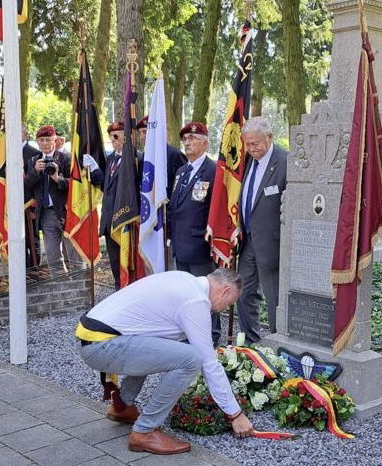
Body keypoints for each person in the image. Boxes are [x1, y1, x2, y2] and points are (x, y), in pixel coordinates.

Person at [76, 268, 254, 454]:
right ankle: (144, 431)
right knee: (192, 359)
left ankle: (122, 406)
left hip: (92, 339)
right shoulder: (196, 300)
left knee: (162, 344)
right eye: (229, 303)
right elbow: (208, 363)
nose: (223, 308)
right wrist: (235, 414)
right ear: (225, 291)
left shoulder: (183, 279)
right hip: (101, 346)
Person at [237, 116, 287, 345]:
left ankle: (279, 346)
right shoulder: (247, 162)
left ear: (270, 137)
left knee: (274, 298)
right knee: (244, 293)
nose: (251, 149)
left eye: (255, 143)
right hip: (247, 240)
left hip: (272, 243)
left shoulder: (285, 161)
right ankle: (251, 342)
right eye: (247, 144)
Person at [170, 122, 220, 345]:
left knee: (207, 294)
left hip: (201, 245)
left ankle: (212, 337)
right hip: (181, 245)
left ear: (205, 142)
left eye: (192, 138)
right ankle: (191, 333)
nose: (187, 143)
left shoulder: (214, 170)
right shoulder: (182, 172)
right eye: (185, 139)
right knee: (186, 294)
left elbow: (216, 209)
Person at [24, 125, 71, 271]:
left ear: (55, 140)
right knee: (52, 254)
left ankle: (80, 284)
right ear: (37, 142)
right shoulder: (33, 160)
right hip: (46, 213)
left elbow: (76, 185)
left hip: (66, 211)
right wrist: (35, 172)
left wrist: (57, 178)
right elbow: (26, 186)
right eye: (41, 140)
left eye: (48, 140)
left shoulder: (66, 158)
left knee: (73, 251)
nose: (45, 143)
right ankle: (59, 285)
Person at [99, 122, 125, 288]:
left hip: (124, 217)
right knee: (114, 261)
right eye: (111, 136)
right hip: (109, 219)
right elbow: (106, 187)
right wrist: (95, 172)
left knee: (126, 261)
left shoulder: (136, 158)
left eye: (117, 135)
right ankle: (117, 290)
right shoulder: (110, 159)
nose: (114, 139)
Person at [135, 115, 187, 199]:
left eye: (144, 132)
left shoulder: (175, 155)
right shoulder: (146, 156)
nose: (141, 137)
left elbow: (183, 187)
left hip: (168, 207)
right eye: (140, 133)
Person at [22, 126, 41, 267]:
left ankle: (34, 268)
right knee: (17, 239)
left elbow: (38, 183)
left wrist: (35, 208)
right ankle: (21, 267)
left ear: (25, 133)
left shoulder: (35, 154)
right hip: (12, 205)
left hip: (30, 204)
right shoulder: (5, 152)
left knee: (32, 239)